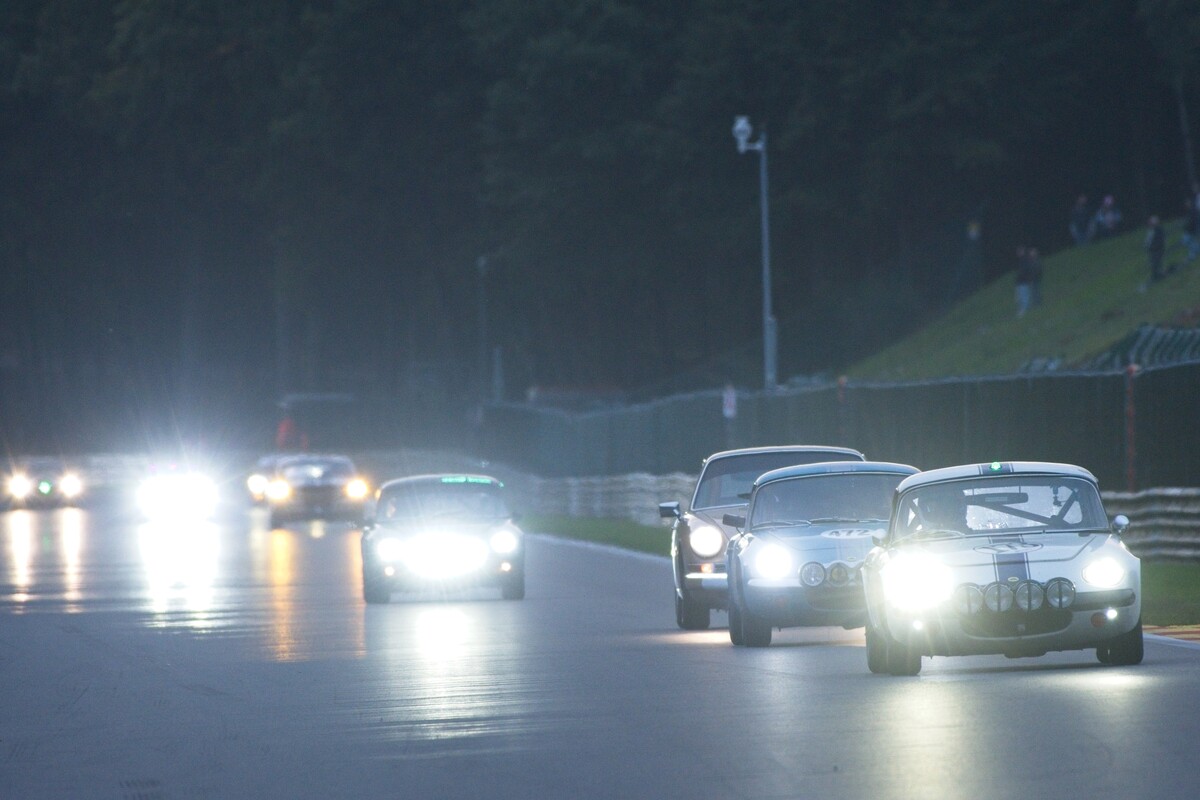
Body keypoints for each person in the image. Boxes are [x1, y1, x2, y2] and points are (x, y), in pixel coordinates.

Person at [1014, 246, 1035, 317]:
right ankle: (1026, 308)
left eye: (1019, 252)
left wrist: (1022, 277)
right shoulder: (1023, 259)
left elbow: (1024, 270)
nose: (1018, 253)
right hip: (1023, 280)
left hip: (1023, 280)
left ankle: (1025, 309)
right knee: (1023, 294)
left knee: (1024, 295)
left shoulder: (1024, 260)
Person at [1145, 215, 1166, 282]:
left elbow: (1160, 240)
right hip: (1152, 249)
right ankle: (1156, 275)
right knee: (1154, 263)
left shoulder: (1158, 229)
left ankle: (1158, 275)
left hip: (1157, 249)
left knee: (1156, 262)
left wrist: (1154, 246)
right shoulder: (1151, 230)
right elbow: (1149, 240)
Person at [1183, 196, 1200, 263]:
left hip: (1192, 229)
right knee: (1189, 242)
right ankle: (1193, 254)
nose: (1186, 204)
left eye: (1187, 203)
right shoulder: (1189, 211)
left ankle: (1193, 254)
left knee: (1187, 241)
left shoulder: (1193, 210)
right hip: (1189, 230)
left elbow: (1195, 221)